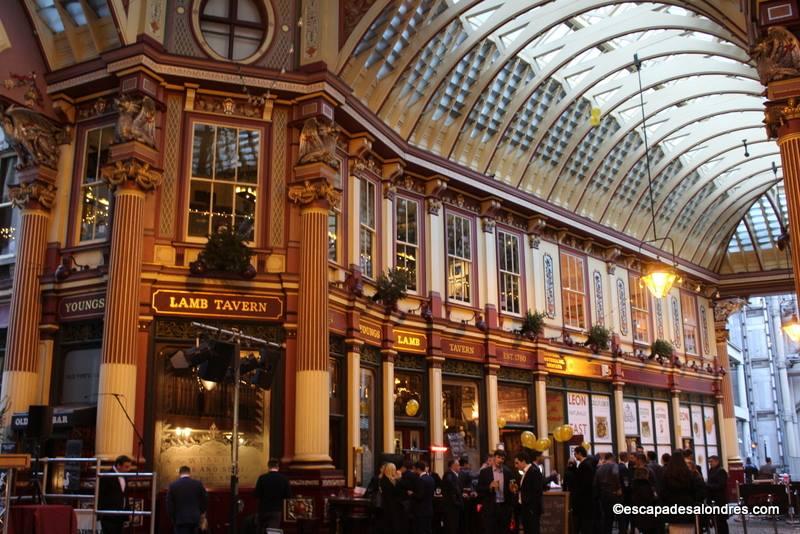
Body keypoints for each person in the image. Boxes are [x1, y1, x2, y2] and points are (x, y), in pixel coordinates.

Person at [661, 450, 705, 526]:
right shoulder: (688, 473)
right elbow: (694, 489)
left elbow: (663, 491)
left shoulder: (666, 474)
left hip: (672, 506)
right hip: (687, 505)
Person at [476, 449, 514, 534]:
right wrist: (489, 486)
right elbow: (479, 489)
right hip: (490, 507)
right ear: (494, 458)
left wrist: (513, 489)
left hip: (504, 507)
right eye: (498, 457)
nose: (500, 460)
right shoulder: (485, 472)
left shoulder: (508, 472)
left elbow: (512, 490)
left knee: (503, 531)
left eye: (502, 458)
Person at [97, 455, 133, 534]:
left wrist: (128, 512)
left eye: (129, 467)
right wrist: (100, 514)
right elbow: (100, 495)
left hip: (121, 515)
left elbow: (125, 496)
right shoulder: (107, 475)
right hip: (109, 516)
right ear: (118, 465)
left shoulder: (125, 476)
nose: (128, 469)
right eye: (126, 467)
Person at [166, 466, 208, 534]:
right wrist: (201, 513)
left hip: (180, 520)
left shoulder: (173, 485)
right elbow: (205, 500)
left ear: (179, 473)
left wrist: (173, 518)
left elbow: (169, 505)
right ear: (189, 472)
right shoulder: (198, 484)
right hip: (195, 519)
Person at [254, 458, 290, 531]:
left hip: (263, 509)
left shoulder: (262, 478)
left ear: (268, 466)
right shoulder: (283, 479)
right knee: (273, 531)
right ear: (278, 467)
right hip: (276, 510)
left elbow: (256, 494)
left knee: (261, 530)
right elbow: (288, 495)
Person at [514, 450, 543, 534]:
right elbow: (527, 489)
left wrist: (531, 509)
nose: (516, 466)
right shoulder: (525, 472)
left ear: (523, 461)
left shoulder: (533, 471)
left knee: (532, 531)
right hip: (525, 509)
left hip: (531, 510)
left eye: (517, 463)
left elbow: (537, 492)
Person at [594, 452, 622, 534]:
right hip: (614, 494)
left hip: (603, 495)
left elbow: (595, 483)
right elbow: (616, 475)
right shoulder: (614, 465)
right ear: (612, 458)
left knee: (607, 518)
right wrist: (619, 488)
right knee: (619, 516)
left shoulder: (599, 468)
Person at [572, 446, 595, 534]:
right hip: (585, 499)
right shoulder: (585, 464)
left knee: (586, 523)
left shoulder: (585, 465)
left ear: (580, 453)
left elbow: (585, 483)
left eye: (575, 453)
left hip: (585, 500)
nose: (574, 455)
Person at [377, 463, 404, 534]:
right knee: (392, 526)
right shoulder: (390, 481)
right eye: (394, 469)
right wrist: (399, 479)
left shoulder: (383, 479)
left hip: (386, 505)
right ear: (392, 470)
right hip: (392, 506)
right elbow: (398, 492)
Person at [630, 467, 659, 534]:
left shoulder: (633, 485)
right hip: (647, 515)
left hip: (636, 514)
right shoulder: (647, 486)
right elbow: (651, 499)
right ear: (645, 475)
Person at [707, 456, 729, 534]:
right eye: (709, 462)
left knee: (721, 521)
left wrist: (708, 486)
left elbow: (721, 485)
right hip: (713, 499)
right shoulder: (711, 470)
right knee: (715, 520)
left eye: (711, 462)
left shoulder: (721, 471)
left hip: (720, 500)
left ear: (717, 461)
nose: (710, 463)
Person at [412, 461, 435, 534]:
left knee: (421, 530)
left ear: (418, 469)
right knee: (428, 530)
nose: (413, 471)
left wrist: (412, 494)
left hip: (421, 510)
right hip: (429, 509)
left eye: (414, 469)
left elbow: (420, 496)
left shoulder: (421, 480)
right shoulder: (431, 478)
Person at [442, 459, 463, 534]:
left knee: (455, 526)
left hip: (454, 506)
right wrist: (458, 502)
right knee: (452, 526)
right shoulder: (449, 475)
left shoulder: (454, 475)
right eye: (458, 465)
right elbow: (452, 489)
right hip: (451, 507)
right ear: (453, 466)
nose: (460, 467)